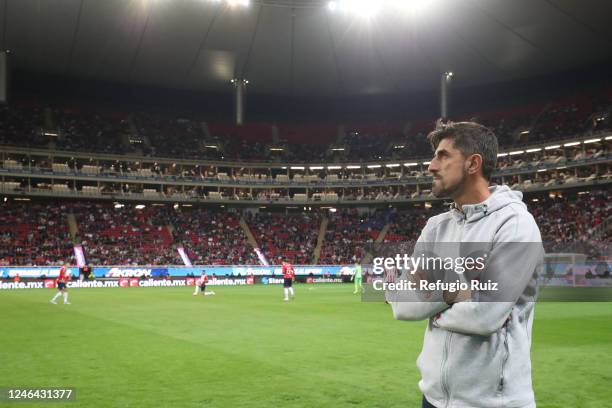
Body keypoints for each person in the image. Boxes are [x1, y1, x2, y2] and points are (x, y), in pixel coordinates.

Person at [387, 120, 543, 408]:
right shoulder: (435, 227)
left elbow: (485, 315)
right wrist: (460, 290)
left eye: (443, 155)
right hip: (433, 399)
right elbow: (403, 306)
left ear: (473, 164)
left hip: (494, 402)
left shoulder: (515, 224)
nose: (431, 166)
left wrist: (433, 299)